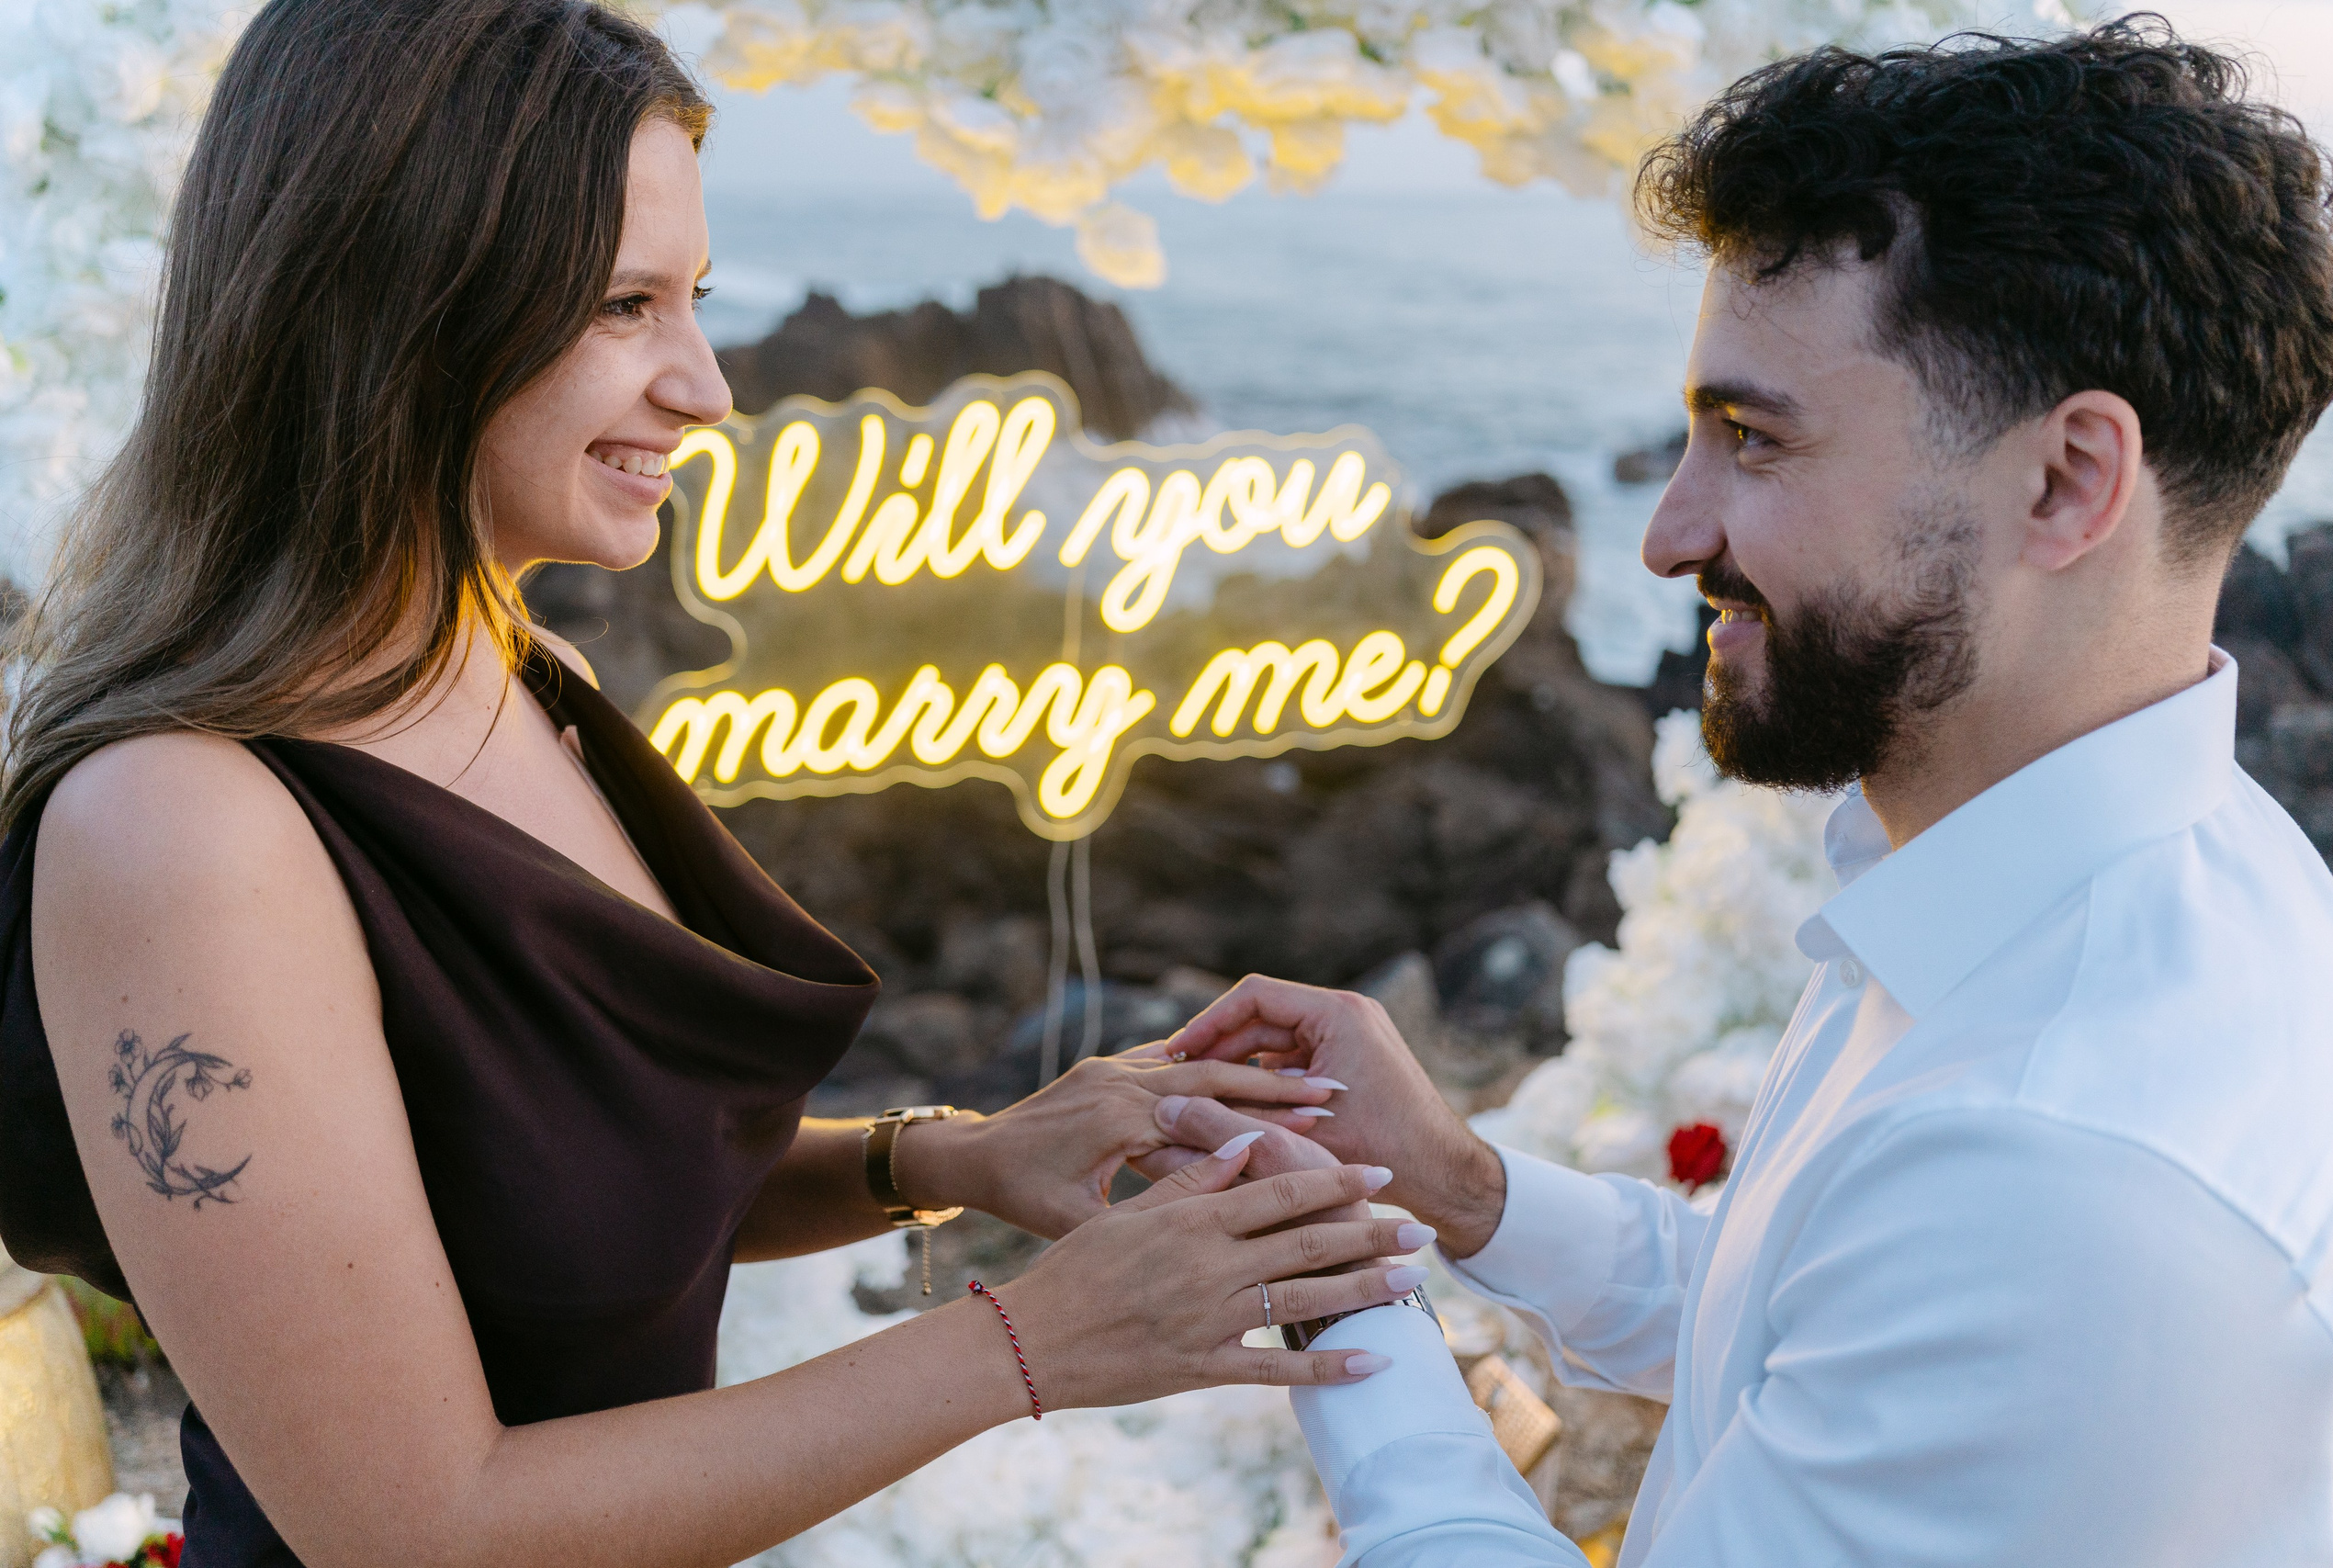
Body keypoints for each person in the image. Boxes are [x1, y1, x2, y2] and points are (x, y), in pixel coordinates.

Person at [0, 4, 1428, 1564]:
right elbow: (417, 1528)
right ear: (395, 303)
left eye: (696, 299)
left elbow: (578, 1188)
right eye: (625, 305)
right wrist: (1029, 1344)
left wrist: (946, 1156)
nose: (707, 385)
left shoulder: (531, 683)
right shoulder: (181, 832)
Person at [1156, 17, 2333, 1566]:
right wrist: (1456, 1188)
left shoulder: (2060, 1159)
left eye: (1753, 440)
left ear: (2066, 482)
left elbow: (1968, 1264)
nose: (1669, 532)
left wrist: (1341, 1301)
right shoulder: (2154, 881)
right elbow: (1811, 1315)